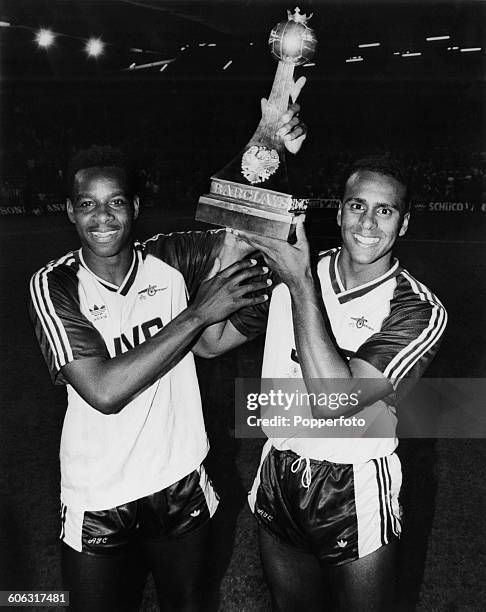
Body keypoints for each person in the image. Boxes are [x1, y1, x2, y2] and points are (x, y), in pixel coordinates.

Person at [27, 93, 306, 612]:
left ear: (135, 206)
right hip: (97, 492)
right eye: (87, 203)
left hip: (178, 479)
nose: (102, 216)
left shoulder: (170, 259)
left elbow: (241, 226)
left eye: (115, 202)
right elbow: (104, 391)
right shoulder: (56, 284)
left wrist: (268, 140)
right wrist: (199, 313)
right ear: (70, 210)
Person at [230, 155, 448, 611]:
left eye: (384, 211)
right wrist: (263, 152)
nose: (368, 222)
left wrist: (300, 284)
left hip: (353, 486)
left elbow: (335, 401)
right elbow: (212, 341)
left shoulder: (417, 308)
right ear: (339, 212)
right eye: (357, 206)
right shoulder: (292, 271)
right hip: (280, 470)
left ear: (404, 224)